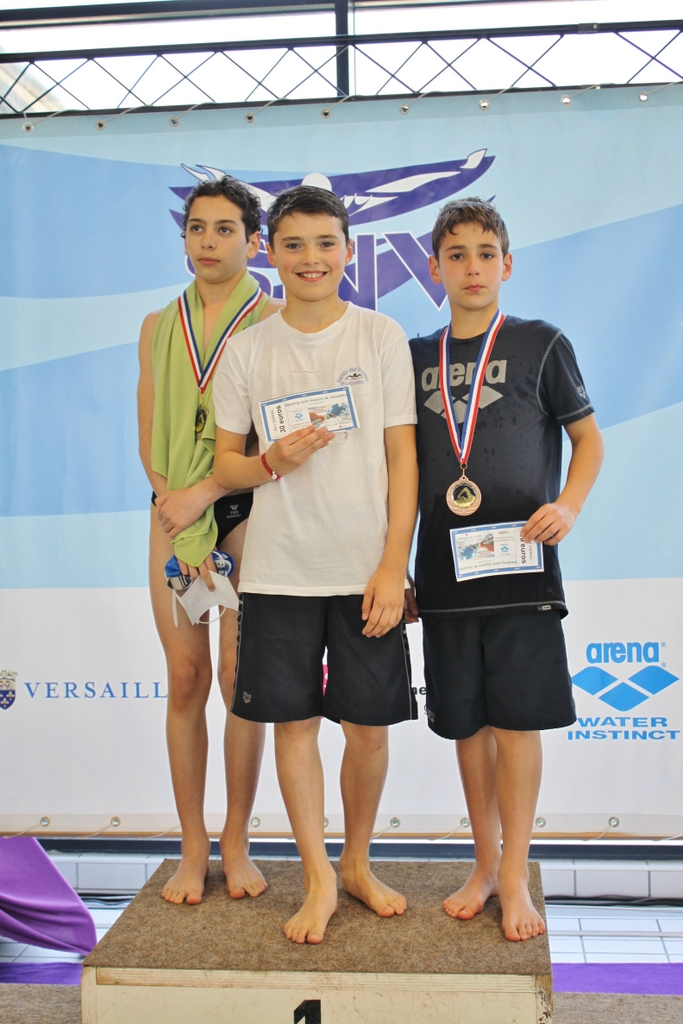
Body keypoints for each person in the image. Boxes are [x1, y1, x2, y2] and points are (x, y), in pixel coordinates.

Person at [212, 185, 419, 945]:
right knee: (293, 725)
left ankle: (357, 862)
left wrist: (393, 564)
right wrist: (271, 462)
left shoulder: (379, 335)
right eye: (293, 244)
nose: (311, 258)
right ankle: (318, 877)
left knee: (368, 728)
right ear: (270, 252)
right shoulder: (248, 349)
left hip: (365, 571)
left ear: (348, 251)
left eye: (325, 243)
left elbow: (403, 458)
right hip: (277, 572)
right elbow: (225, 466)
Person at [406, 197, 604, 941]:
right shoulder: (413, 356)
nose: (472, 267)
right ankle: (483, 864)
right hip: (444, 574)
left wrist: (568, 506)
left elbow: (589, 441)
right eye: (455, 255)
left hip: (522, 568)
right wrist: (396, 564)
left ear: (507, 265)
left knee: (517, 725)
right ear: (434, 269)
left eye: (485, 253)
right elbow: (398, 472)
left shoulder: (541, 344)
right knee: (468, 727)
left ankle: (515, 874)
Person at [137, 176, 283, 906]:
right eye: (196, 227)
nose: (207, 241)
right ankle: (192, 845)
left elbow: (279, 441)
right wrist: (183, 518)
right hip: (172, 514)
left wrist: (210, 501)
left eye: (225, 229)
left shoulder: (277, 320)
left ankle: (236, 839)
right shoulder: (157, 325)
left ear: (254, 242)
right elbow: (149, 440)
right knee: (187, 678)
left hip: (251, 510)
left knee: (237, 678)